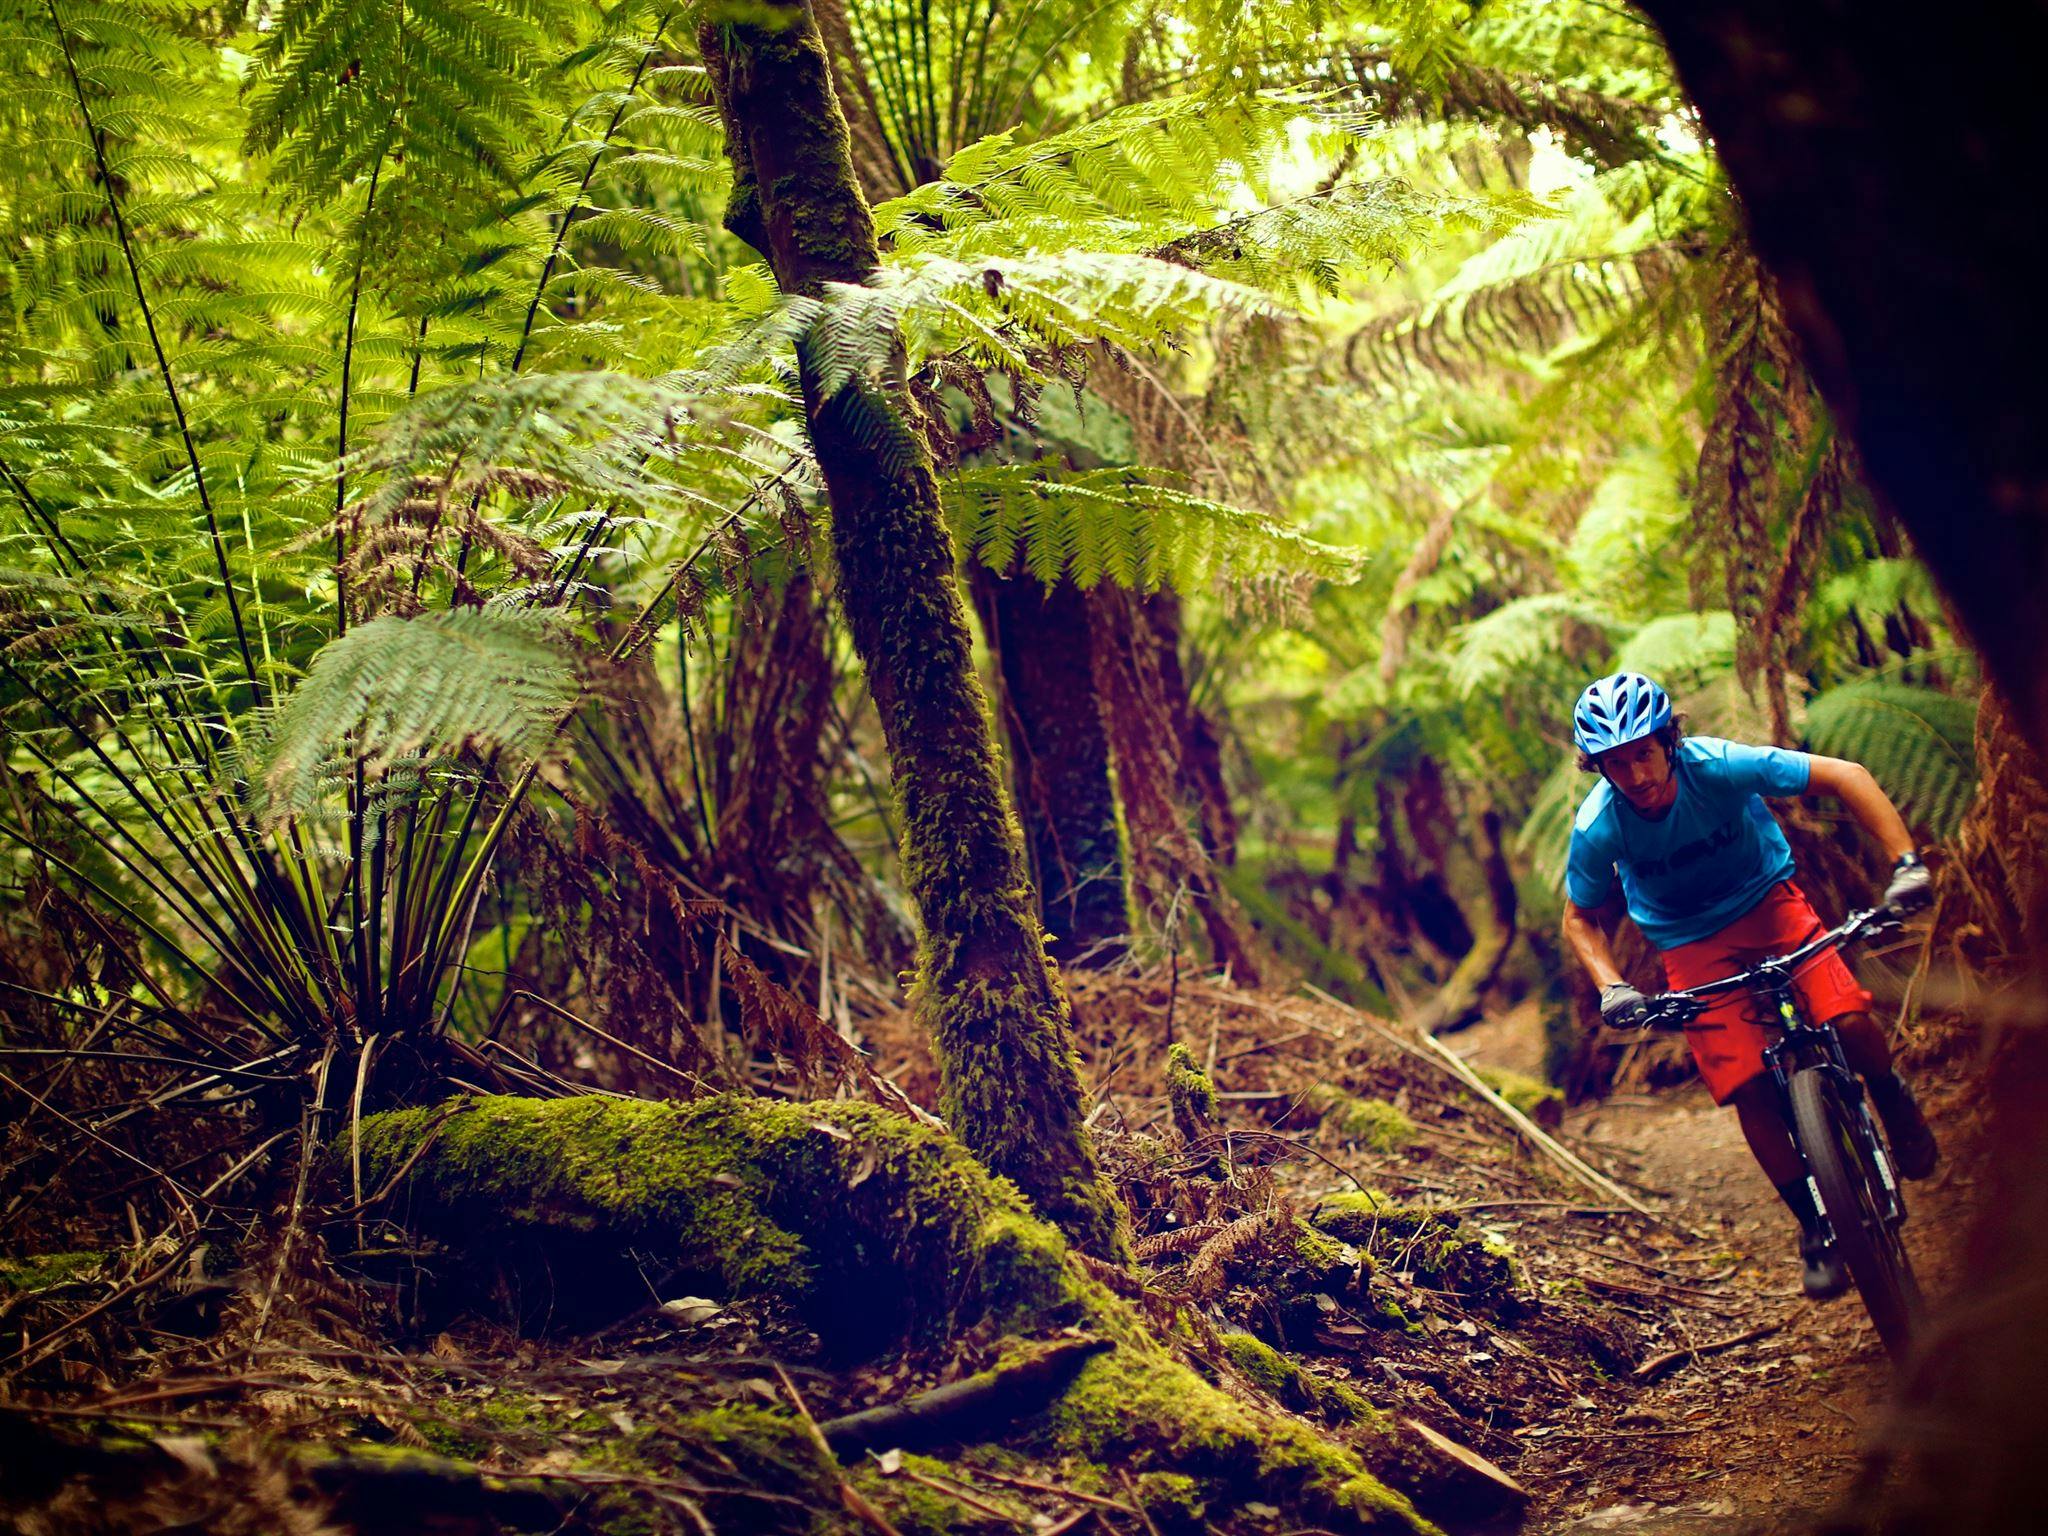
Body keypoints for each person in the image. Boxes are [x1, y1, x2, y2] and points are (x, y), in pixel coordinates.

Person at [1558, 671, 1938, 1299]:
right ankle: (1815, 1223)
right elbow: (1580, 919)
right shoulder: (1599, 826)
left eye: (1643, 754)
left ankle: (1892, 1097)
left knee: (1847, 1017)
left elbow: (1846, 776)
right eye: (1615, 765)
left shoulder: (1719, 766)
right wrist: (1612, 987)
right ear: (1597, 768)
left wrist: (1906, 864)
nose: (1637, 776)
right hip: (1690, 943)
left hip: (1771, 906)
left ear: (1668, 740)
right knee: (1747, 1086)